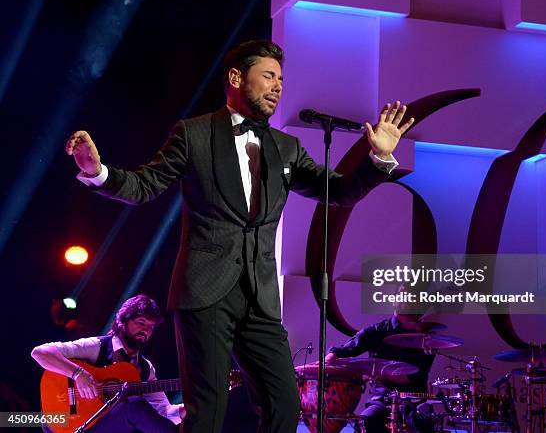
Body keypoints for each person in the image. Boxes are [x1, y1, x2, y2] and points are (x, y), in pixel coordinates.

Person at [64, 39, 414, 433]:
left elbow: (340, 192)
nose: (278, 85)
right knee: (207, 411)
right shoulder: (194, 134)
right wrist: (98, 172)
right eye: (268, 76)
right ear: (235, 77)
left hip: (260, 296)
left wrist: (379, 157)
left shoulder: (286, 147)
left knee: (284, 404)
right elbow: (145, 185)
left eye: (281, 79)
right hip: (204, 290)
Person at [31, 294, 184, 432]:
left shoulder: (145, 369)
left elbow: (163, 413)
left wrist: (186, 410)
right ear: (123, 321)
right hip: (68, 423)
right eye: (141, 322)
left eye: (151, 327)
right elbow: (40, 353)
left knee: (136, 409)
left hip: (105, 427)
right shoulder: (97, 346)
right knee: (134, 406)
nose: (146, 330)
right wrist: (78, 374)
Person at [326, 312, 436, 433]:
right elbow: (342, 351)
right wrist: (329, 358)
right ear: (395, 301)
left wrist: (378, 374)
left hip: (416, 400)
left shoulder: (426, 338)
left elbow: (411, 377)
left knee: (425, 424)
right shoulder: (376, 331)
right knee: (366, 421)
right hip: (382, 399)